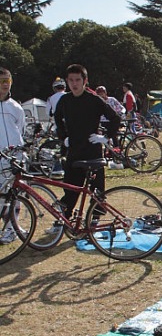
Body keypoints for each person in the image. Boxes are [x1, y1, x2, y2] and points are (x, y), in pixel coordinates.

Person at [53, 64, 121, 224]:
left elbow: (115, 117)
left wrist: (105, 137)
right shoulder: (64, 100)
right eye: (71, 80)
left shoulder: (94, 99)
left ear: (85, 81)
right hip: (74, 150)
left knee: (97, 189)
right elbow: (57, 120)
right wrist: (64, 138)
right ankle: (64, 219)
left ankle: (94, 219)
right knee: (70, 188)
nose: (74, 84)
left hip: (93, 150)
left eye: (78, 80)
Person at [0, 67, 27, 244]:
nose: (4, 85)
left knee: (14, 194)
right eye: (1, 81)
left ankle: (12, 228)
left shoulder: (15, 107)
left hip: (14, 157)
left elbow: (21, 129)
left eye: (6, 81)